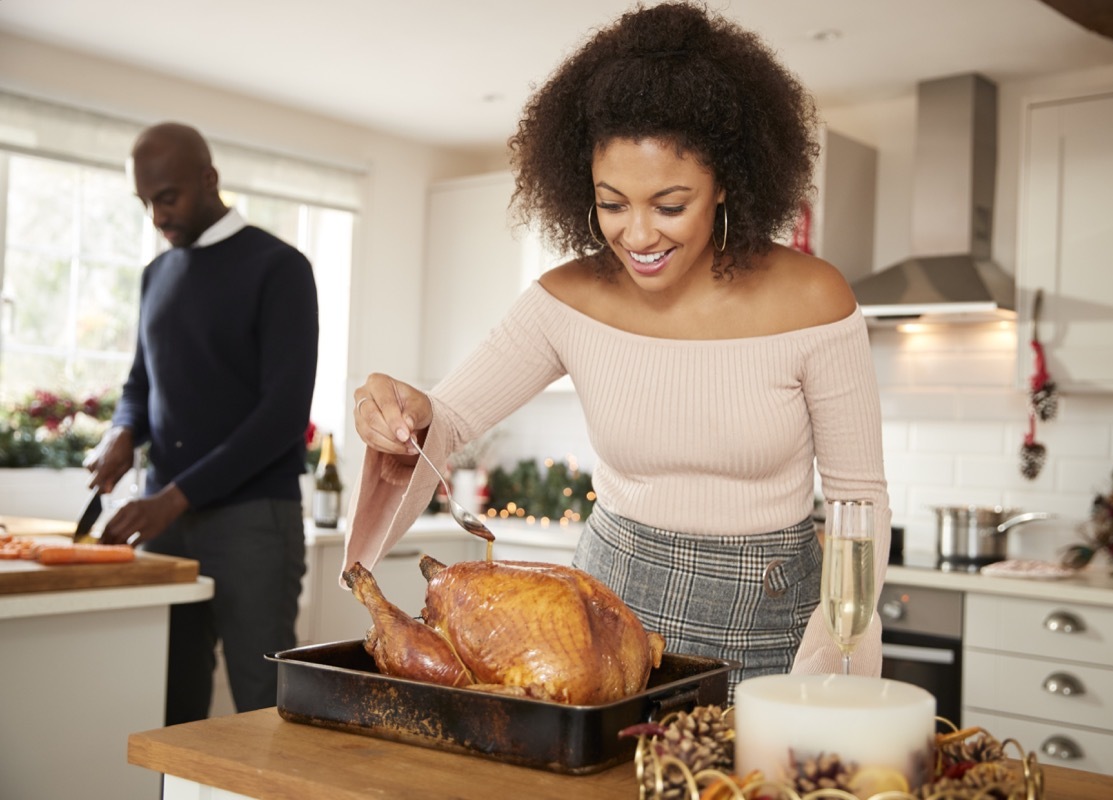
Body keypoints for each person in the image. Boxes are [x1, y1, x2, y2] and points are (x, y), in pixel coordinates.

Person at [347, 2, 890, 696]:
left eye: (669, 205)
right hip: (597, 618)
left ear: (726, 182)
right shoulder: (566, 301)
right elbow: (443, 419)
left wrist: (834, 672)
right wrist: (401, 409)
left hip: (769, 621)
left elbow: (858, 505)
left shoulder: (813, 299)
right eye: (612, 203)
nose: (637, 235)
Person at [85, 122, 319, 724]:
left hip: (252, 527)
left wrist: (172, 498)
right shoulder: (155, 276)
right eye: (145, 202)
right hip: (166, 522)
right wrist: (122, 433)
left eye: (168, 197)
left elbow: (282, 418)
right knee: (169, 705)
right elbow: (141, 384)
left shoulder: (280, 267)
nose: (157, 216)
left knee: (265, 710)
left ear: (209, 180)